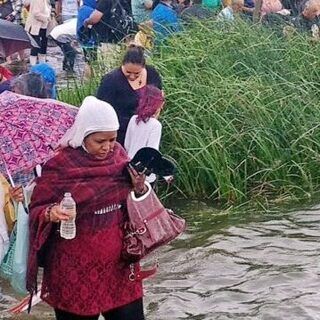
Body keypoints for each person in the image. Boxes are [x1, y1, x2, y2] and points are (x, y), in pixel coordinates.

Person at [26, 96, 149, 320]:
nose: (108, 147)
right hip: (74, 269)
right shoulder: (61, 165)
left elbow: (133, 201)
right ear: (83, 135)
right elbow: (36, 209)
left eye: (112, 139)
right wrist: (52, 212)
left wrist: (138, 186)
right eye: (100, 141)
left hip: (119, 264)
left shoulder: (120, 156)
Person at [96, 44, 162, 145]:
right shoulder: (110, 80)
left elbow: (159, 96)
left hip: (147, 128)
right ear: (122, 64)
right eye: (128, 72)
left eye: (137, 73)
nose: (132, 76)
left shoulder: (152, 74)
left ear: (143, 67)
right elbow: (103, 110)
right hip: (120, 131)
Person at [124, 85, 165, 184]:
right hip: (145, 176)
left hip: (130, 169)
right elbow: (152, 152)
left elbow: (126, 145)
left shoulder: (133, 119)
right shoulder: (156, 125)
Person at [24, 0, 54, 65]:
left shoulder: (46, 1)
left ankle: (42, 65)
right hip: (35, 27)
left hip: (45, 27)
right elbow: (36, 14)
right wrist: (46, 18)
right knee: (36, 46)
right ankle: (33, 66)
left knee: (43, 46)